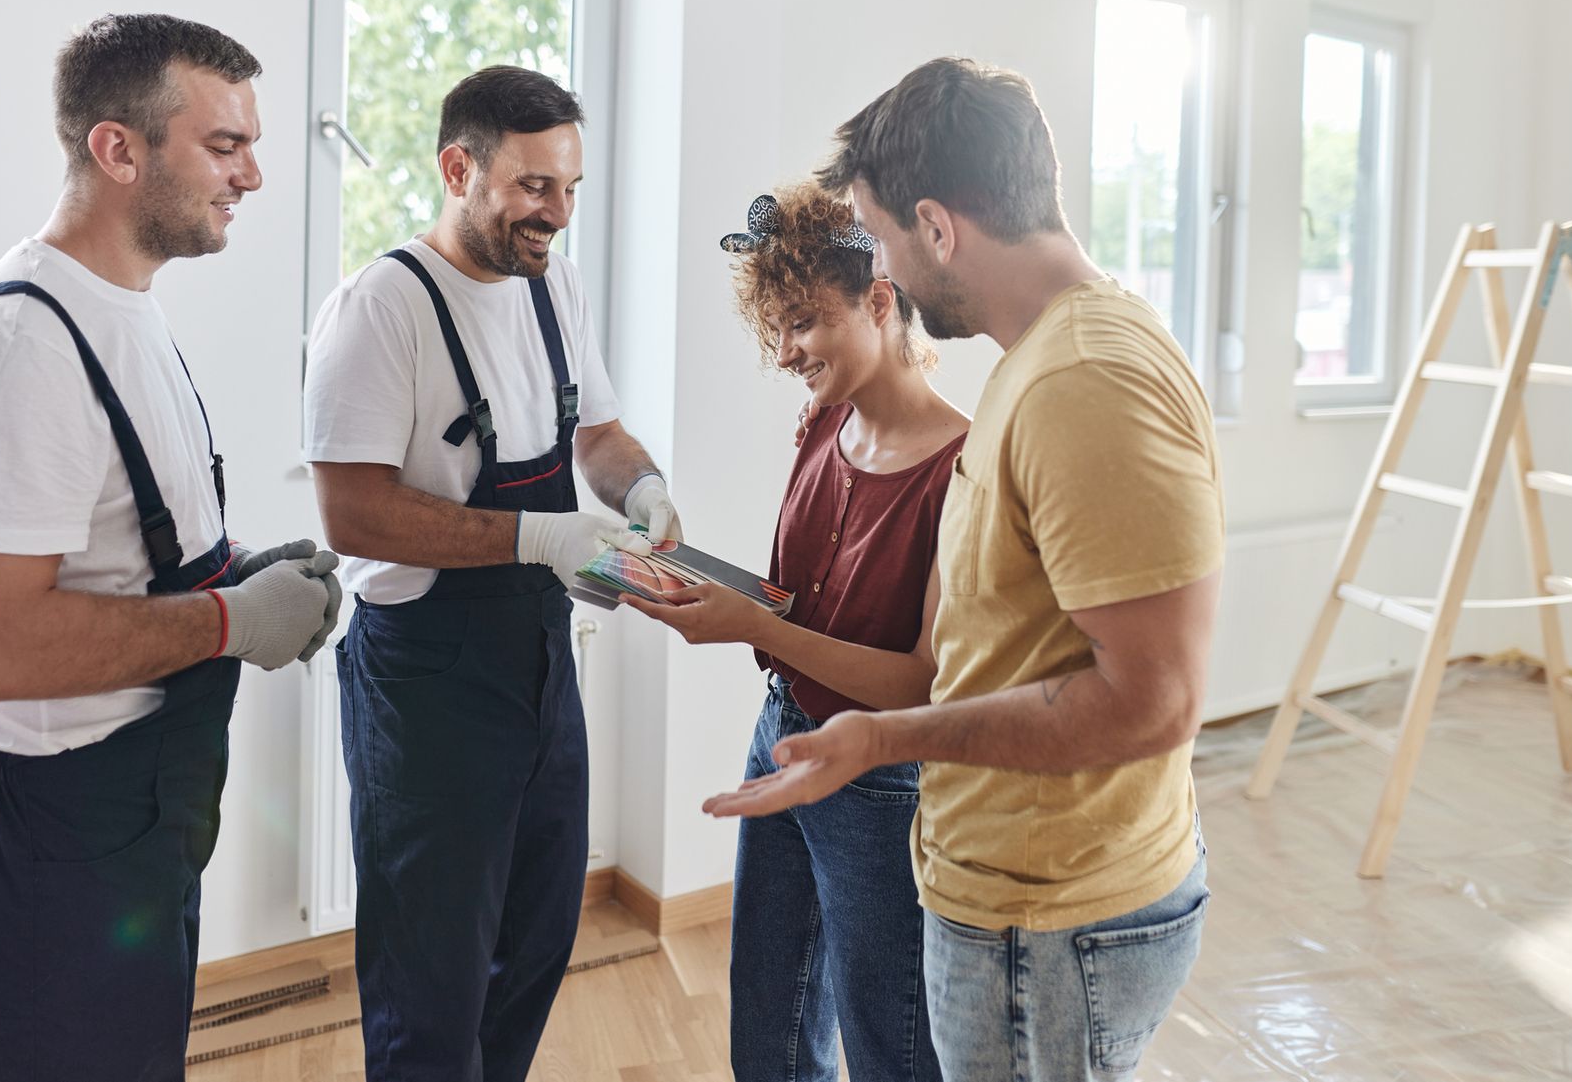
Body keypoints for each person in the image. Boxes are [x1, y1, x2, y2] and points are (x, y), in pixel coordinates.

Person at [705, 57, 1226, 1082]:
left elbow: (1153, 701)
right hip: (1011, 904)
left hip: (1050, 919)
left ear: (937, 228)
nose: (882, 261)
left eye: (884, 235)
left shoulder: (1084, 378)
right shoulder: (1045, 364)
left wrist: (885, 737)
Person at [0, 13, 343, 1080]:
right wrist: (234, 620)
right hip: (56, 846)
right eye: (224, 145)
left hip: (133, 826)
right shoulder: (18, 343)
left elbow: (119, 549)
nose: (251, 175)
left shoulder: (127, 309)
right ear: (118, 150)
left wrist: (236, 568)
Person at [304, 65, 679, 1080]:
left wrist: (641, 491)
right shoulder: (382, 308)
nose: (555, 214)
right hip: (426, 689)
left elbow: (595, 431)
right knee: (432, 992)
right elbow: (353, 511)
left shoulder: (552, 283)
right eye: (533, 187)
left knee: (538, 942)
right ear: (459, 167)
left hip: (541, 669)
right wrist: (539, 540)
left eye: (570, 189)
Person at [621, 182, 964, 1080]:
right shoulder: (823, 422)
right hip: (782, 733)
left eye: (804, 323)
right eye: (776, 327)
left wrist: (748, 627)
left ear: (880, 300)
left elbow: (922, 682)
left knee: (890, 1040)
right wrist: (708, 589)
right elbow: (802, 600)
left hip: (882, 778)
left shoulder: (962, 467)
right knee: (769, 1019)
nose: (785, 352)